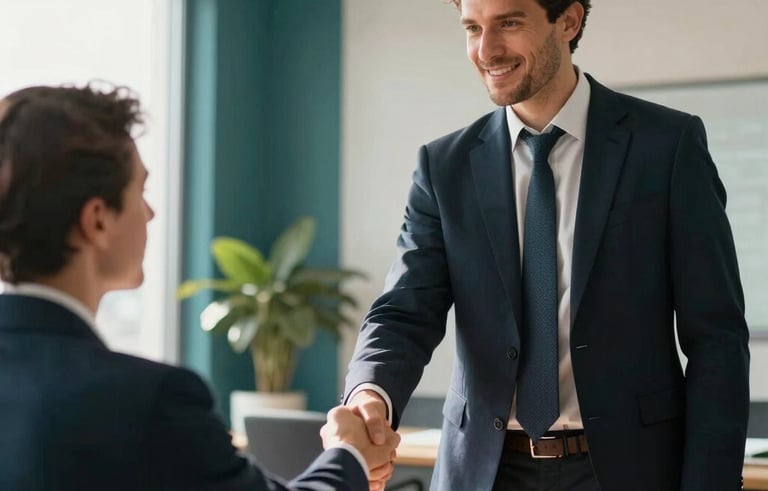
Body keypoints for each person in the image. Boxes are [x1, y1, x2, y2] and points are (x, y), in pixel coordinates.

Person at [342, 0, 750, 490]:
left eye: (509, 23)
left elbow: (717, 341)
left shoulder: (666, 146)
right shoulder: (443, 167)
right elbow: (404, 312)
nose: (486, 50)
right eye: (472, 28)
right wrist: (371, 394)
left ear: (569, 21)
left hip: (627, 470)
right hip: (482, 471)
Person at [0, 84, 399, 491]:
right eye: (141, 191)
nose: (151, 213)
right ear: (98, 220)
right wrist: (349, 455)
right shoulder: (148, 402)